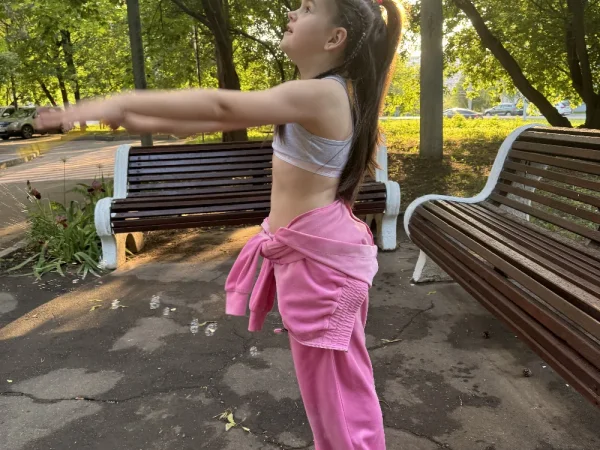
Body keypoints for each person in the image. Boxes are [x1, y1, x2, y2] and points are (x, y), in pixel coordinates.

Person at [36, 1, 403, 448]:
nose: (292, 12)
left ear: (334, 38)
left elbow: (219, 104)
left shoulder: (323, 94)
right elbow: (208, 118)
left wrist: (120, 101)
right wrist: (134, 118)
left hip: (321, 269)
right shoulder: (323, 93)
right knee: (331, 399)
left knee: (339, 405)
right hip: (314, 261)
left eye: (308, 8)